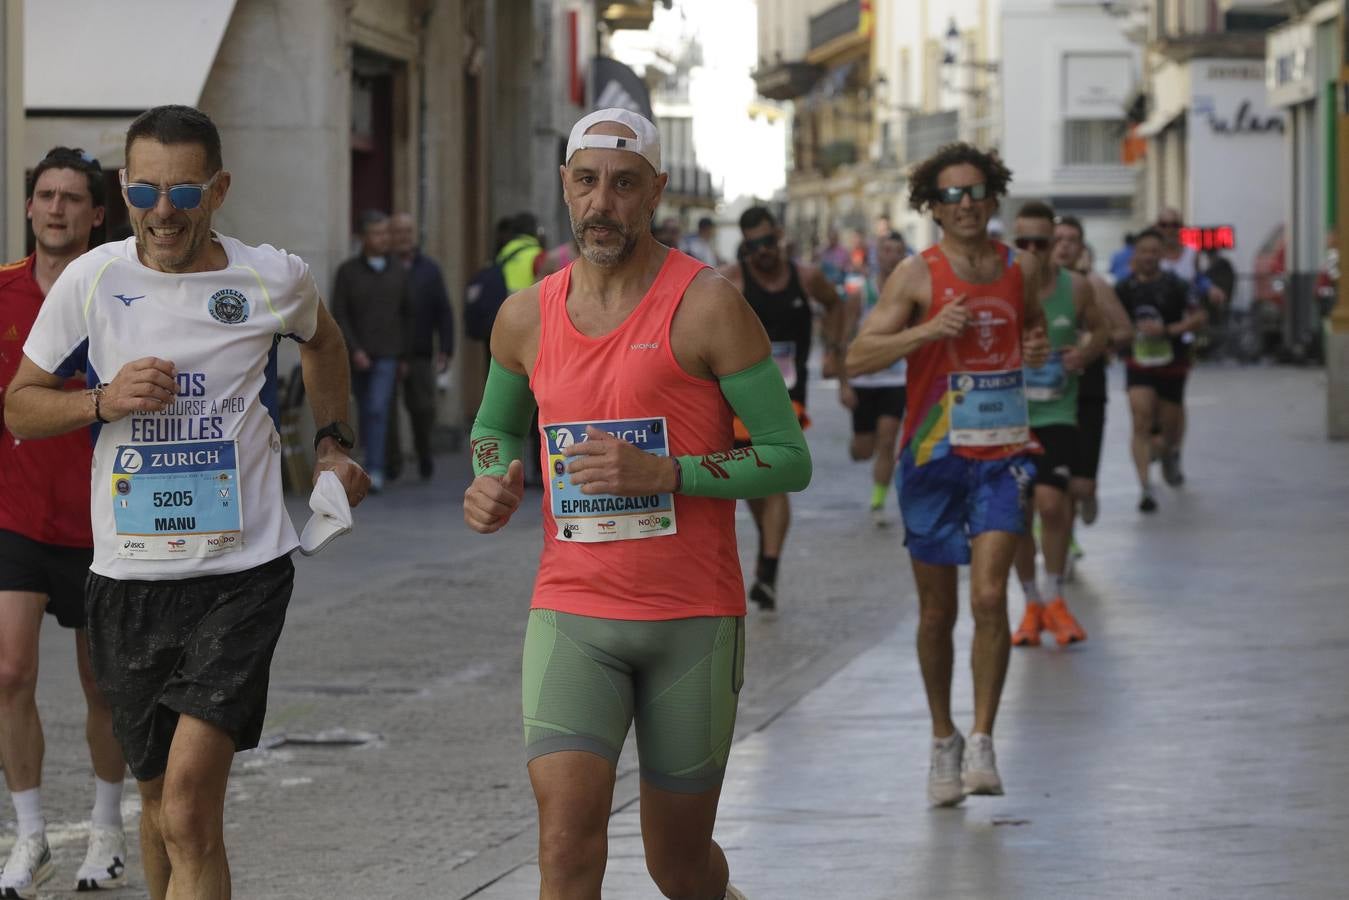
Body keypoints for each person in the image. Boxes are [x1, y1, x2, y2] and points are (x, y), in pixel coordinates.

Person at [4, 104, 369, 900]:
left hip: (241, 575)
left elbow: (325, 341)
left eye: (184, 191)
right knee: (155, 803)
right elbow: (20, 405)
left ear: (220, 188)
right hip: (128, 580)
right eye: (143, 191)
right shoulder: (91, 279)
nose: (162, 212)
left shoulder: (271, 277)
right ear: (123, 189)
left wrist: (335, 444)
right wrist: (100, 402)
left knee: (189, 807)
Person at [463, 107, 806, 900]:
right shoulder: (525, 316)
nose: (601, 204)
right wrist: (491, 478)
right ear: (565, 187)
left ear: (653, 192)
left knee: (677, 865)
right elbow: (492, 428)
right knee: (563, 839)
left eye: (622, 186)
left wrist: (668, 473)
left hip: (691, 617)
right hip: (572, 611)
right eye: (586, 183)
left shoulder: (709, 305)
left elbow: (788, 459)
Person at [846, 142, 1049, 807]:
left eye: (975, 192)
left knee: (990, 599)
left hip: (1002, 455)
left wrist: (1038, 347)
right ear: (931, 208)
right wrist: (928, 330)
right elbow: (857, 354)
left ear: (993, 198)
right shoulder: (914, 274)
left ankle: (985, 737)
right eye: (951, 196)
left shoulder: (1023, 268)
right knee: (938, 610)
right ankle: (943, 737)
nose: (965, 205)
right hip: (932, 457)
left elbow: (1034, 328)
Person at [0, 148, 128, 897]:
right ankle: (30, 834)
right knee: (9, 673)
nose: (56, 209)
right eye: (45, 196)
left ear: (97, 213)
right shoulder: (5, 292)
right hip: (14, 515)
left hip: (101, 522)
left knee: (102, 687)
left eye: (72, 199)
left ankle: (108, 827)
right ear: (28, 208)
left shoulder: (117, 292)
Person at [719, 206, 845, 611]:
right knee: (754, 481)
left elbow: (837, 305)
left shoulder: (805, 276)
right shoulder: (731, 279)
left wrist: (835, 352)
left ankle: (769, 570)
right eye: (754, 246)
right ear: (744, 246)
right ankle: (766, 556)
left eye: (768, 242)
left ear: (780, 236)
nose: (763, 252)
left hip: (790, 393)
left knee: (771, 476)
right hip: (740, 395)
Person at [1007, 203, 1107, 648]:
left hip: (1057, 415)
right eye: (1022, 243)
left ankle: (1055, 595)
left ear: (1054, 244)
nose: (1031, 251)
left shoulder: (1078, 287)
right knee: (1017, 514)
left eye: (1040, 243)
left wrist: (1083, 353)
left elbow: (1102, 332)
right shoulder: (1000, 289)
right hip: (1008, 419)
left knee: (1051, 503)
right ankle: (1031, 603)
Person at [1115, 228, 1205, 512]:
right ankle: (1145, 487)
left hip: (1172, 363)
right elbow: (1110, 321)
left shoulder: (1176, 285)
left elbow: (1199, 316)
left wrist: (1167, 330)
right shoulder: (1124, 289)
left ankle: (1169, 454)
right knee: (1140, 420)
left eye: (1155, 251)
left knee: (1167, 431)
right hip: (1137, 364)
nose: (1149, 257)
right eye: (1144, 251)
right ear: (1135, 255)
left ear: (1162, 255)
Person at [1052, 216, 1132, 529]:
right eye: (1057, 238)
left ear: (1081, 246)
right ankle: (1061, 538)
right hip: (1046, 393)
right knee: (1050, 479)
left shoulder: (1095, 285)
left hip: (1088, 389)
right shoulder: (1037, 287)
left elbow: (1126, 331)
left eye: (1071, 239)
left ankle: (1085, 493)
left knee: (1079, 482)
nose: (1064, 245)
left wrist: (1096, 341)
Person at [332, 210, 410, 492]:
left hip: (388, 353)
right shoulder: (348, 272)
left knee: (377, 409)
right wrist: (354, 349)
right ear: (363, 237)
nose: (383, 239)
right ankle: (368, 458)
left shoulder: (398, 271)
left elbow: (407, 314)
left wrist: (404, 355)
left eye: (386, 233)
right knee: (365, 410)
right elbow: (340, 314)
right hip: (358, 354)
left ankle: (375, 468)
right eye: (377, 233)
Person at [839, 229, 909, 526]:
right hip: (864, 380)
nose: (891, 256)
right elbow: (844, 339)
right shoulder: (862, 294)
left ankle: (878, 500)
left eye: (897, 251)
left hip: (895, 380)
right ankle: (856, 445)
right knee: (863, 450)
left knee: (888, 439)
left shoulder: (911, 295)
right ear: (877, 255)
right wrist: (844, 383)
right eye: (886, 250)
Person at [388, 212, 453, 480]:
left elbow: (443, 310)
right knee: (388, 411)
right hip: (389, 351)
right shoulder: (385, 267)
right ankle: (391, 463)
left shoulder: (429, 269)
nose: (404, 237)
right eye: (398, 232)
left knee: (423, 409)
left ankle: (424, 453)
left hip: (420, 350)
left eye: (408, 231)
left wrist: (446, 348)